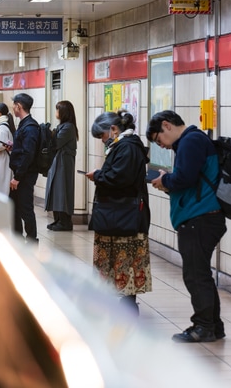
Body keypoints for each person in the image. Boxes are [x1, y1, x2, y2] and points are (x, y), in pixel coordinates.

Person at [147, 110, 226, 342]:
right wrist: (169, 179)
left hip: (199, 218)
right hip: (202, 217)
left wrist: (165, 180)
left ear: (167, 125)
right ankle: (214, 325)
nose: (160, 145)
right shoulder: (192, 140)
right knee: (200, 273)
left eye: (158, 139)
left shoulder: (190, 141)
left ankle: (203, 327)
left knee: (195, 275)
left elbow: (185, 178)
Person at [85, 111, 152, 316]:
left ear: (113, 129)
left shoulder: (128, 147)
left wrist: (98, 175)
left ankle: (128, 302)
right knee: (116, 256)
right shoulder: (123, 145)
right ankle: (114, 298)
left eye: (103, 136)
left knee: (125, 256)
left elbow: (119, 178)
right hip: (119, 212)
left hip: (124, 214)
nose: (103, 141)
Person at [9, 93, 40, 242]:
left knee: (25, 208)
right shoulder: (24, 125)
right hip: (21, 174)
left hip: (25, 176)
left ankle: (32, 240)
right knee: (13, 206)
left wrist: (17, 177)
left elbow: (28, 154)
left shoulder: (30, 127)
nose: (13, 108)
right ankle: (17, 238)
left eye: (14, 105)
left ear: (19, 106)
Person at [45, 100, 79, 231]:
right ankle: (58, 219)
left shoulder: (68, 127)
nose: (56, 112)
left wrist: (48, 134)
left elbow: (56, 143)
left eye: (58, 110)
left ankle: (65, 221)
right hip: (59, 161)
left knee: (62, 190)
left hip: (64, 163)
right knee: (55, 190)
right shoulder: (63, 126)